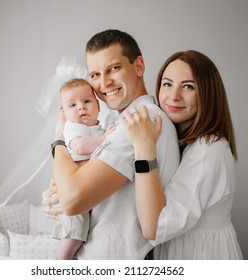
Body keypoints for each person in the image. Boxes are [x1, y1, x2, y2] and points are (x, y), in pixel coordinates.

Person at [44, 29, 180, 259]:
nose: (104, 82)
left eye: (113, 69)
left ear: (138, 66)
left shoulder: (138, 122)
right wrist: (57, 191)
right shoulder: (121, 123)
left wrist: (58, 140)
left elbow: (72, 200)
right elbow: (73, 190)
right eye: (95, 74)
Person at [121, 50, 243, 259]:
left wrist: (143, 148)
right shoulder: (176, 141)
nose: (174, 96)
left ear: (207, 93)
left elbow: (155, 227)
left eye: (188, 86)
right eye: (167, 84)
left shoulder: (209, 149)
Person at [52, 78, 115, 259]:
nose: (81, 107)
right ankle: (60, 260)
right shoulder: (72, 128)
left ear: (98, 105)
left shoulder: (98, 128)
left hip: (87, 188)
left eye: (87, 101)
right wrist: (106, 139)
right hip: (74, 188)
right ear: (64, 113)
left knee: (85, 231)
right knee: (75, 233)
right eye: (72, 105)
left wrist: (106, 134)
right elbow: (80, 147)